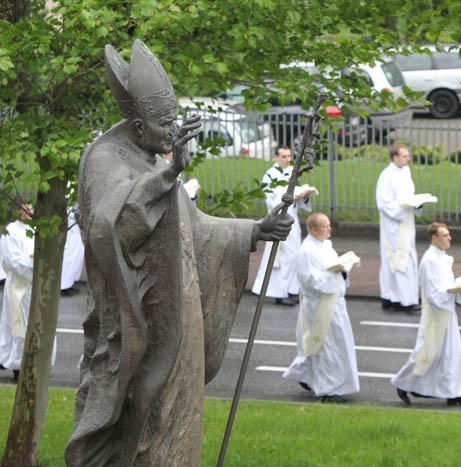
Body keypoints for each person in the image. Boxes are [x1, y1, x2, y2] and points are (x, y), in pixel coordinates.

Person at [64, 40, 292, 466]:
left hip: (179, 322)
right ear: (136, 128)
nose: (172, 134)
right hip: (142, 329)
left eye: (174, 123)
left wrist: (255, 231)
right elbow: (109, 227)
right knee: (144, 413)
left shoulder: (152, 159)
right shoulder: (105, 160)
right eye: (164, 125)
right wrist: (170, 172)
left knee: (178, 422)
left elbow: (197, 230)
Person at [391, 222, 461, 407]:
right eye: (445, 235)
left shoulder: (443, 258)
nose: (449, 238)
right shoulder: (429, 261)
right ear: (434, 238)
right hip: (436, 315)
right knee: (428, 352)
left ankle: (455, 393)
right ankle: (403, 383)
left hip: (447, 313)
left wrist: (460, 289)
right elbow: (432, 293)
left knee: (452, 354)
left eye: (449, 234)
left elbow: (446, 284)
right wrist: (455, 291)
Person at [283, 212, 360, 403]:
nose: (329, 229)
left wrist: (342, 269)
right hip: (320, 305)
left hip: (334, 302)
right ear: (313, 229)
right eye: (325, 226)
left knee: (337, 344)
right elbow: (311, 281)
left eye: (329, 225)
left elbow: (332, 270)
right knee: (327, 347)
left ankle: (308, 376)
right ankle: (328, 390)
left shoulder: (325, 246)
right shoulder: (307, 252)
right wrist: (335, 273)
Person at [252, 145, 312, 306]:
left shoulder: (291, 172)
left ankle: (291, 289)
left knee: (294, 256)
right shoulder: (270, 176)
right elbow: (273, 201)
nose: (287, 159)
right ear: (276, 157)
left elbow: (295, 197)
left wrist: (303, 196)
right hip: (279, 220)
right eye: (283, 156)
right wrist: (293, 195)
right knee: (281, 257)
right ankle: (281, 292)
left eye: (288, 156)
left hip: (292, 220)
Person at [375, 144, 420, 312]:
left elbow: (408, 195)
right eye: (405, 156)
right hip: (393, 224)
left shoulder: (406, 172)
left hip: (406, 223)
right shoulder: (386, 176)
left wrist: (415, 204)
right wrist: (405, 208)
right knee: (399, 259)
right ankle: (402, 299)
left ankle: (394, 296)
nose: (408, 159)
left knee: (407, 258)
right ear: (395, 158)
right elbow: (384, 204)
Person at [0, 199, 36, 382]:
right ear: (19, 211)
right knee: (17, 325)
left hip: (33, 286)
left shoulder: (35, 230)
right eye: (27, 208)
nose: (31, 211)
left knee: (32, 324)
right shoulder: (10, 232)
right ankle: (16, 365)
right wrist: (31, 263)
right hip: (18, 287)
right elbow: (11, 260)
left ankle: (30, 362)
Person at [60, 204, 85, 295]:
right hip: (67, 231)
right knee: (67, 258)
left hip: (73, 229)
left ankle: (69, 284)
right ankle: (63, 286)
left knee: (76, 256)